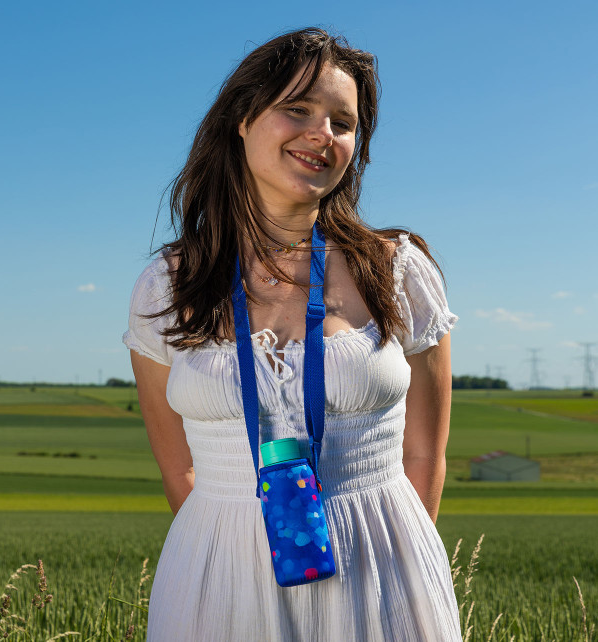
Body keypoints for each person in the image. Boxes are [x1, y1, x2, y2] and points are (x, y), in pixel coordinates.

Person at [123, 27, 461, 642]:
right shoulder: (167, 287)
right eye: (298, 109)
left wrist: (398, 576)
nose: (322, 134)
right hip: (219, 582)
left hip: (381, 574)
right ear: (242, 120)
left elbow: (424, 456)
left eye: (342, 122)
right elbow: (179, 471)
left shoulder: (398, 271)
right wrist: (234, 558)